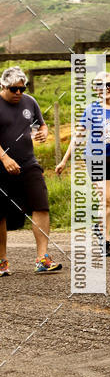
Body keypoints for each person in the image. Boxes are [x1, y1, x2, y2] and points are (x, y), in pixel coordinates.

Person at [56, 71, 110, 257]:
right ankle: (105, 242)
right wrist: (64, 161)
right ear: (95, 89)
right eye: (100, 86)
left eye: (109, 85)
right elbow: (77, 137)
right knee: (107, 201)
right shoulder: (90, 110)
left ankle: (99, 226)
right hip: (96, 159)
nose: (106, 89)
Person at [0, 66, 62, 275]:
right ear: (3, 86)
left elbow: (41, 125)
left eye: (22, 88)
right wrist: (4, 157)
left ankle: (42, 258)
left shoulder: (30, 102)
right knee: (1, 214)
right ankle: (2, 261)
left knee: (41, 205)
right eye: (13, 89)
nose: (18, 93)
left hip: (28, 163)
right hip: (1, 165)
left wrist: (43, 133)